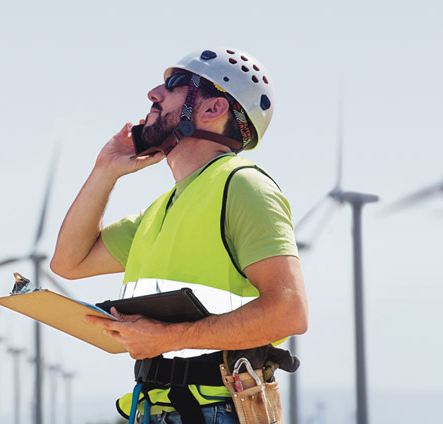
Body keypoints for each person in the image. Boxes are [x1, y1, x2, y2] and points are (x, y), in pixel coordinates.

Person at [49, 48, 308, 424]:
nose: (154, 93)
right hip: (159, 410)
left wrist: (170, 338)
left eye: (173, 85)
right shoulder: (162, 209)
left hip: (216, 410)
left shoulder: (244, 186)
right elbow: (68, 263)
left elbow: (290, 311)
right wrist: (105, 170)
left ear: (213, 109)